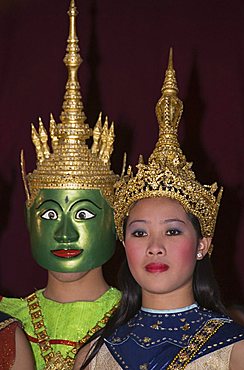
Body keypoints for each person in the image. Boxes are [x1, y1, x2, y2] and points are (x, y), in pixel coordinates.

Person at [74, 49, 244, 369]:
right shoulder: (94, 355)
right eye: (140, 232)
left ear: (202, 245)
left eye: (172, 231)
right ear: (124, 245)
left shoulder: (234, 351)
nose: (154, 247)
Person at [0, 1, 120, 369]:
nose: (64, 233)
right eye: (49, 213)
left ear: (117, 218)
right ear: (27, 216)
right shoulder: (6, 323)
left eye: (83, 213)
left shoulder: (142, 321)